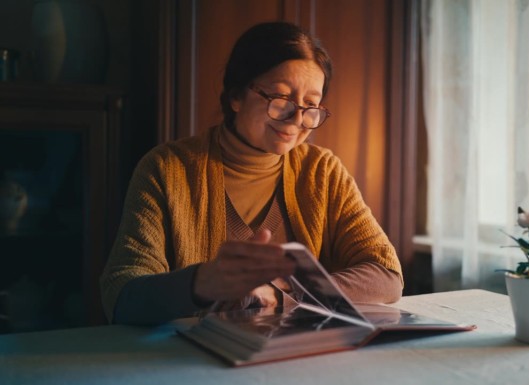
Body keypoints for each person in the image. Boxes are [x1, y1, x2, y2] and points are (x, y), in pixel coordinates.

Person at [100, 21, 403, 325]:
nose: (296, 119)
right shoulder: (166, 169)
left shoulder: (322, 172)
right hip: (191, 361)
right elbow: (121, 294)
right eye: (280, 99)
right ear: (235, 96)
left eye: (311, 105)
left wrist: (285, 293)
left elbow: (386, 275)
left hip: (299, 358)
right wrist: (201, 284)